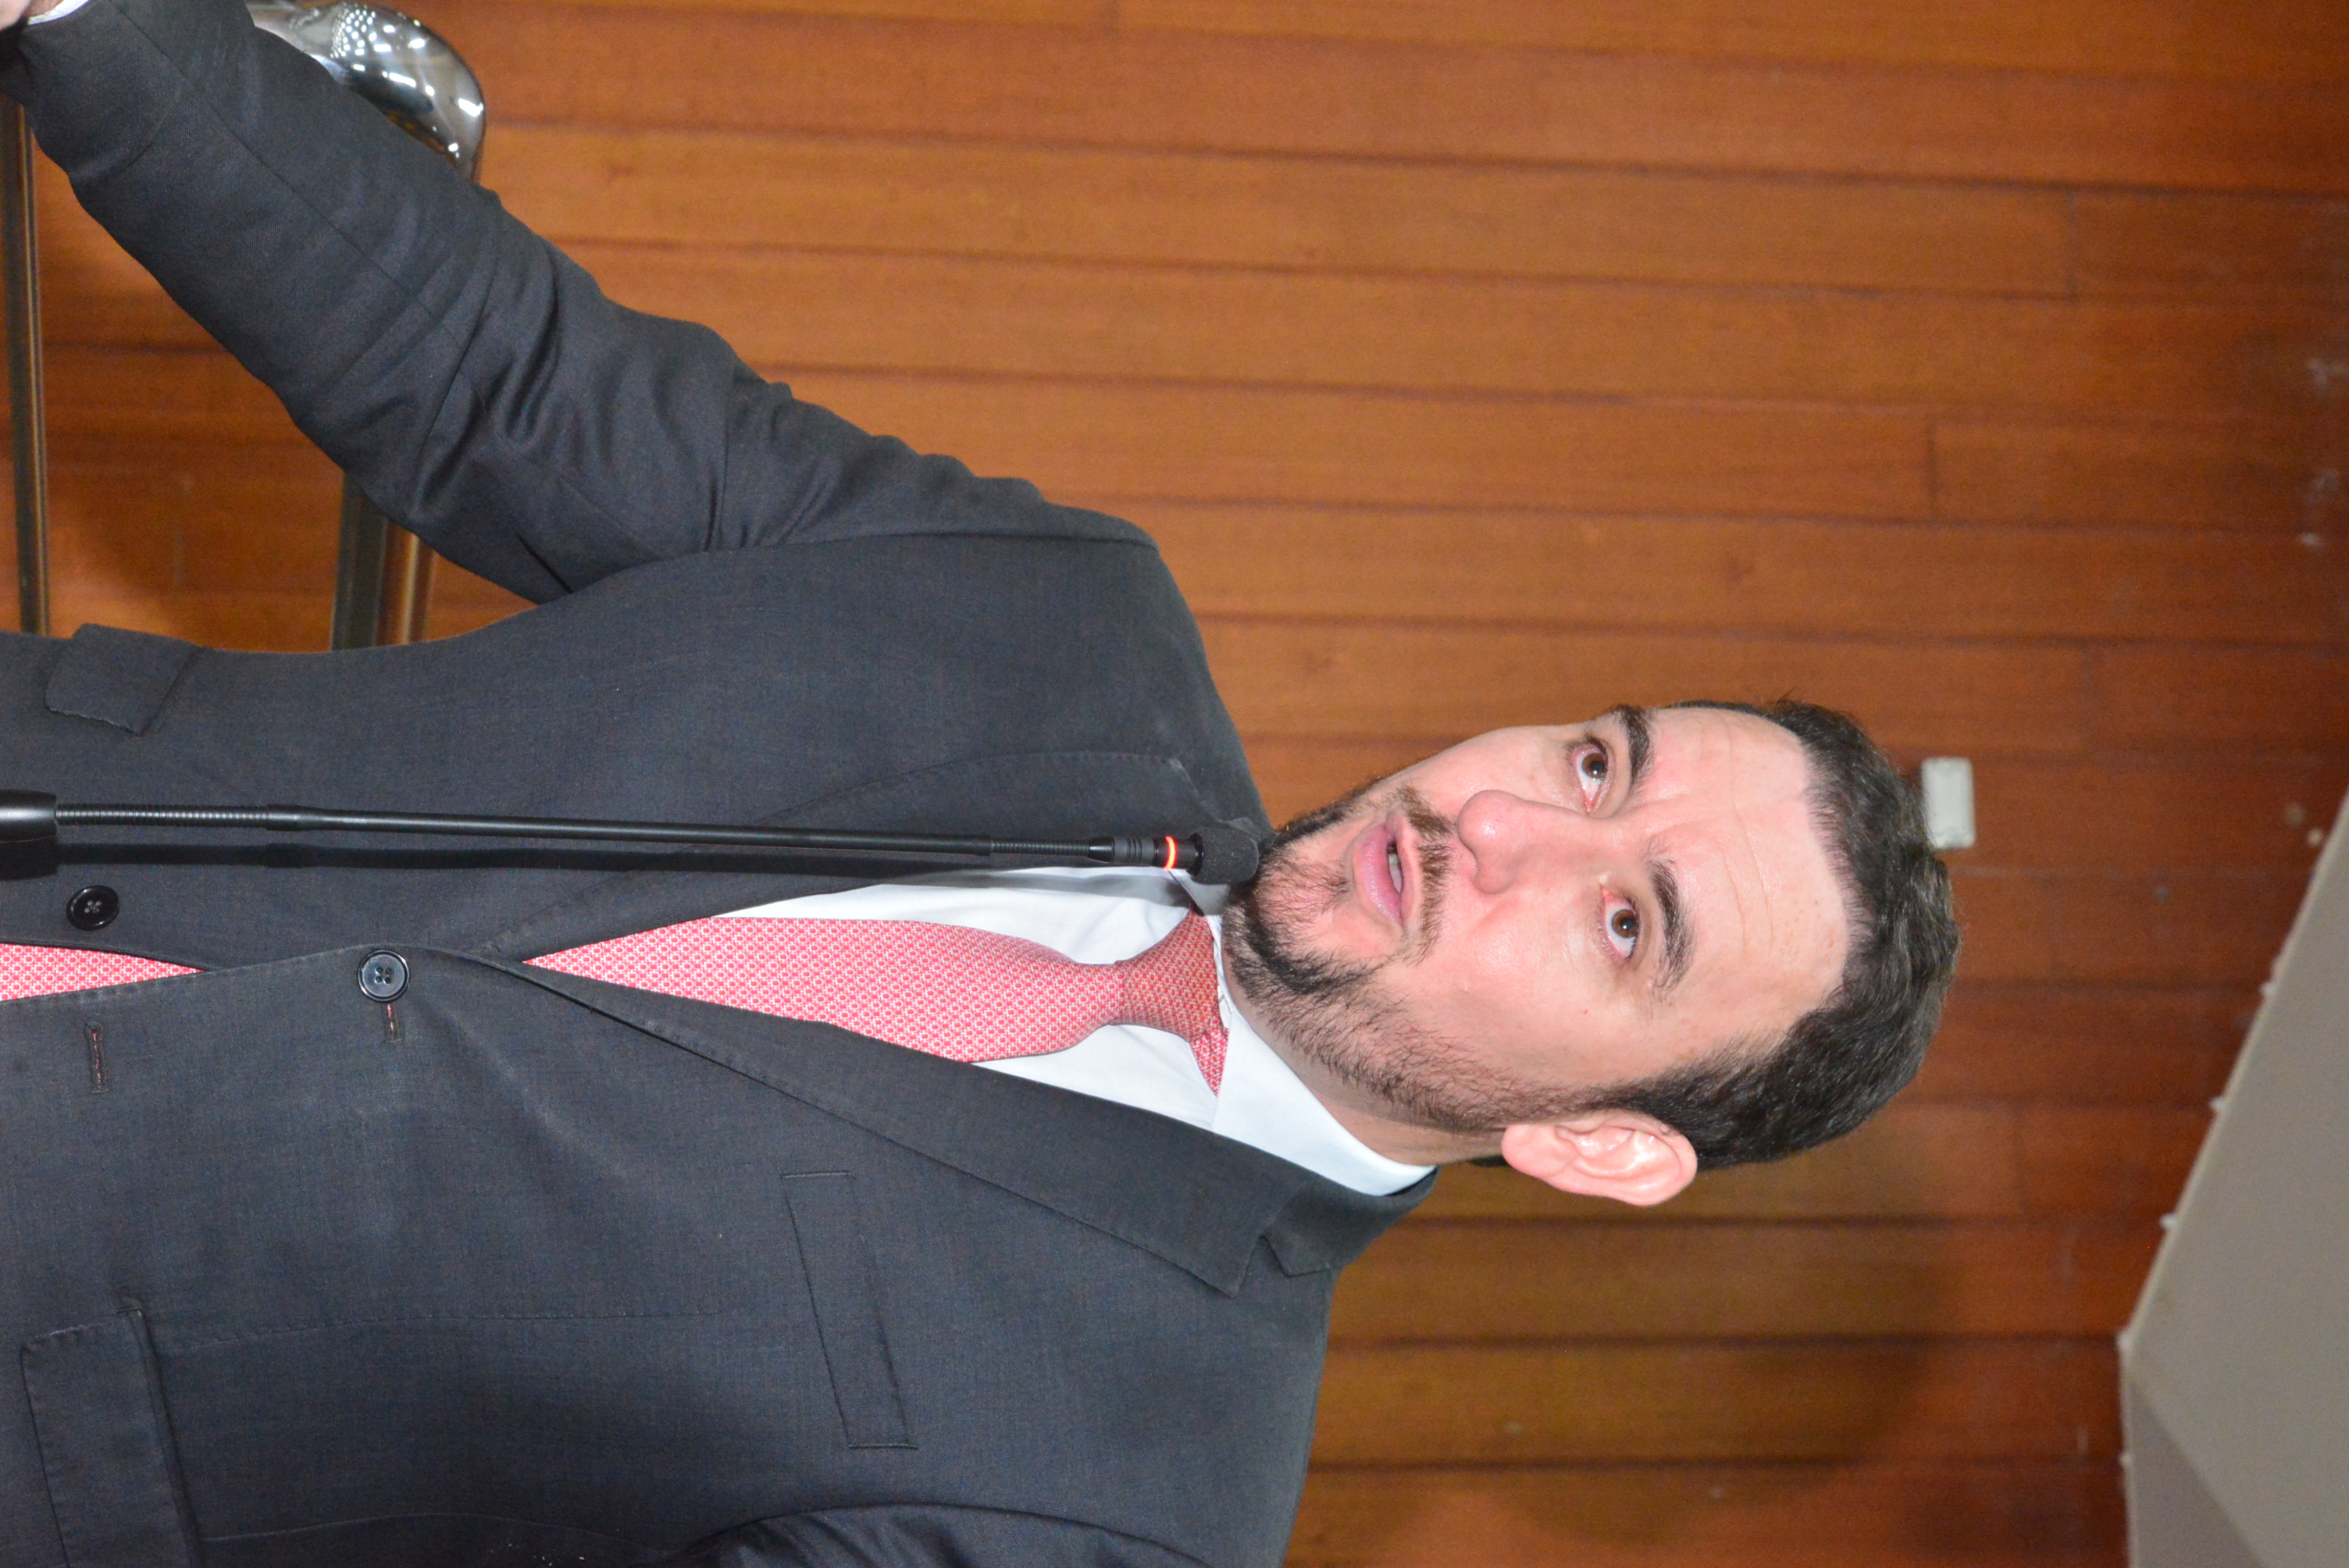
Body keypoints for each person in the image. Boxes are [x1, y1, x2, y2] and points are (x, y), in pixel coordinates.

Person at [0, 0, 1959, 1561]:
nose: (1501, 824)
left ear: (1604, 1144)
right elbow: (501, 376)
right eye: (1597, 758)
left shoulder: (1120, 1503)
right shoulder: (1062, 617)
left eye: (1622, 920)